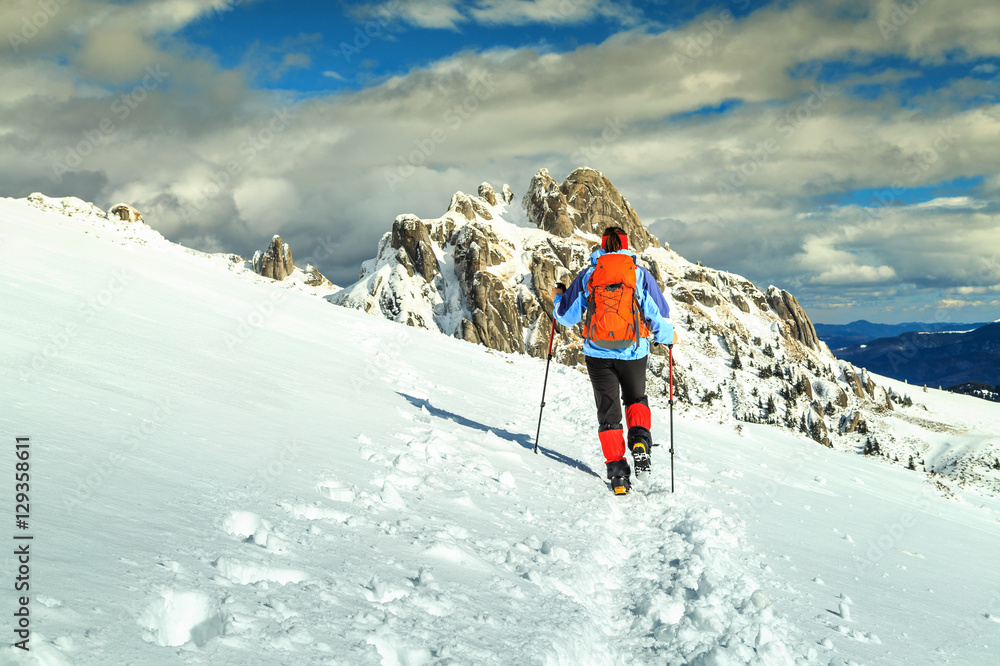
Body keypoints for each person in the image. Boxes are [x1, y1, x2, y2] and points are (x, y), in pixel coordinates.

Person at [551, 226, 677, 494]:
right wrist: (669, 337)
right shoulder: (638, 274)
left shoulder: (590, 274)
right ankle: (640, 440)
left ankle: (618, 477)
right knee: (635, 399)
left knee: (608, 414)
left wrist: (558, 297)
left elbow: (566, 317)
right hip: (633, 351)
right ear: (625, 245)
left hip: (597, 354)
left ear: (602, 245)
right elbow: (660, 315)